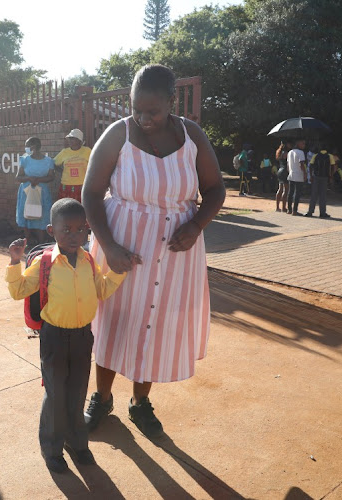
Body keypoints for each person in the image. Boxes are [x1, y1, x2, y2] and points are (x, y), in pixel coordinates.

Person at [82, 64, 225, 438]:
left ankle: (140, 402)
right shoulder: (118, 134)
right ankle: (101, 396)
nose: (144, 118)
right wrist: (109, 246)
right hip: (121, 252)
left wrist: (195, 226)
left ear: (171, 102)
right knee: (114, 322)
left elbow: (215, 190)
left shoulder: (192, 135)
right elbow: (91, 193)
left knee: (156, 326)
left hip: (176, 255)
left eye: (153, 111)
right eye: (136, 109)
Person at [6, 198, 127, 473]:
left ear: (87, 230)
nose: (74, 236)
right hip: (54, 338)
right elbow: (18, 291)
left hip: (83, 336)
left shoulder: (87, 260)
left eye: (80, 230)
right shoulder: (45, 262)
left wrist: (120, 271)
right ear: (52, 230)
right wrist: (15, 263)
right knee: (55, 394)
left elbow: (103, 289)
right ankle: (52, 448)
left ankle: (77, 443)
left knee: (77, 391)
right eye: (66, 230)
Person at [15, 136, 55, 245]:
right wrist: (29, 178)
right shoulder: (24, 159)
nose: (26, 148)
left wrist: (39, 180)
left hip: (42, 193)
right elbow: (18, 177)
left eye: (27, 146)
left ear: (34, 147)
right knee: (26, 214)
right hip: (26, 192)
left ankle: (41, 243)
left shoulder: (48, 161)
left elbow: (51, 177)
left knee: (42, 215)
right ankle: (27, 241)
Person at [53, 129, 91, 202]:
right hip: (66, 185)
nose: (69, 141)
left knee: (80, 208)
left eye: (72, 139)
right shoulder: (64, 152)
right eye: (69, 139)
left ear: (79, 140)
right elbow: (54, 163)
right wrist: (62, 171)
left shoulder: (87, 151)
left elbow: (93, 165)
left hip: (82, 185)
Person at [304, 144, 334, 218]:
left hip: (316, 177)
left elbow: (310, 166)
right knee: (323, 196)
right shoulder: (330, 156)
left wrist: (311, 176)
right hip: (325, 177)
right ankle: (322, 213)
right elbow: (332, 166)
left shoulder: (316, 155)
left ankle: (310, 212)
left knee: (314, 195)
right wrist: (331, 176)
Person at [287, 139, 307, 215]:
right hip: (298, 175)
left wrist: (290, 171)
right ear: (298, 144)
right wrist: (305, 173)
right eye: (303, 143)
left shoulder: (290, 152)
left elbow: (288, 165)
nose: (304, 145)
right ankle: (294, 211)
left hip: (291, 174)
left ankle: (289, 209)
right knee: (297, 193)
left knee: (290, 192)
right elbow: (301, 164)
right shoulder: (301, 152)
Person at [275, 141, 290, 212]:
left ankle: (277, 207)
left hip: (280, 170)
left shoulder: (279, 152)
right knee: (286, 190)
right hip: (285, 171)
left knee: (280, 189)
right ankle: (284, 207)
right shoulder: (286, 153)